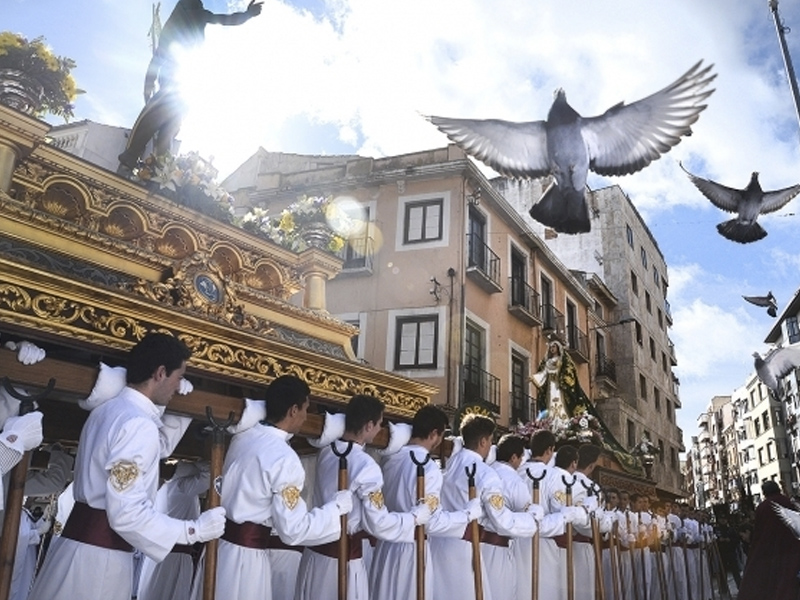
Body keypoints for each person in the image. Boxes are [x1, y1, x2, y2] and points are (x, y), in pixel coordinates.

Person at [28, 332, 226, 600]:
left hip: (75, 550)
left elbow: (157, 449)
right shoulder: (138, 425)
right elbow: (126, 513)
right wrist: (194, 530)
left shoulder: (106, 411)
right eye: (179, 377)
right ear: (160, 373)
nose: (179, 387)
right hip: (99, 566)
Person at [213, 375, 351, 600]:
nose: (305, 417)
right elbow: (293, 529)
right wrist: (336, 509)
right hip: (246, 562)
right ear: (293, 410)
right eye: (305, 409)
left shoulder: (243, 436)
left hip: (218, 550)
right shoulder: (285, 458)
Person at [294, 394, 430, 600]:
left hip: (315, 557)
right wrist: (414, 518)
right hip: (343, 560)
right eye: (379, 424)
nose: (379, 430)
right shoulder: (366, 466)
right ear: (368, 425)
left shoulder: (326, 452)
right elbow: (378, 523)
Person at [118, 0, 263, 169]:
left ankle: (159, 167)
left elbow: (224, 19)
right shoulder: (184, 13)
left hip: (185, 80)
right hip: (173, 77)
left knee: (172, 124)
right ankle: (132, 155)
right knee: (155, 115)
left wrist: (247, 15)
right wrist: (149, 83)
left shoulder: (199, 14)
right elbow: (159, 55)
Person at [370, 404, 479, 600]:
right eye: (441, 436)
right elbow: (432, 521)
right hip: (412, 548)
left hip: (386, 548)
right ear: (434, 434)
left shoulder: (390, 460)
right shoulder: (428, 468)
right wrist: (467, 514)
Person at [429, 413, 541, 600]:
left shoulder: (450, 465)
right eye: (490, 441)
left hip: (439, 546)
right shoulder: (485, 473)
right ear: (483, 441)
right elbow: (502, 521)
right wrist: (531, 520)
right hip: (464, 550)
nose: (491, 446)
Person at [137, 460, 210, 600]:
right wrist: (195, 463)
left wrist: (184, 466)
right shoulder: (181, 486)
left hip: (161, 557)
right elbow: (210, 472)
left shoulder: (166, 488)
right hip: (173, 558)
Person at [486, 434, 543, 599]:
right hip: (499, 547)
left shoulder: (487, 471)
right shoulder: (514, 481)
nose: (521, 463)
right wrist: (534, 516)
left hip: (479, 546)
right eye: (520, 458)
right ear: (513, 458)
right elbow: (525, 513)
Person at [737, 480, 800, 600]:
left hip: (771, 550)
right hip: (791, 548)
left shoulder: (763, 507)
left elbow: (759, 531)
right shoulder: (788, 502)